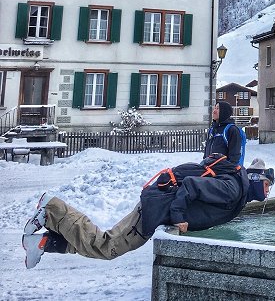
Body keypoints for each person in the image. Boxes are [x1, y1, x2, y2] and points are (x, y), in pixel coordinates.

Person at [22, 101, 253, 269]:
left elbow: (232, 158)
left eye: (216, 108)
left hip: (167, 197)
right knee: (108, 245)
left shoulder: (230, 131)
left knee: (106, 244)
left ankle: (45, 242)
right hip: (159, 204)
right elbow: (195, 181)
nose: (212, 110)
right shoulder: (219, 147)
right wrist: (180, 214)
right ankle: (52, 210)